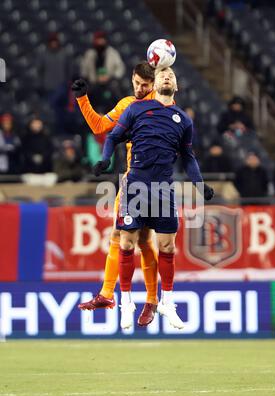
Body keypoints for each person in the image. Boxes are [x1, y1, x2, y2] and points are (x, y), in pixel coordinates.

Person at [93, 67, 214, 330]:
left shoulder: (183, 120)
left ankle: (166, 303)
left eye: (171, 74)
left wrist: (200, 185)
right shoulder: (136, 109)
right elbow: (112, 135)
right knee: (126, 244)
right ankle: (126, 303)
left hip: (163, 188)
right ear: (154, 84)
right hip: (135, 184)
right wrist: (104, 159)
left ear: (177, 86)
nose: (167, 77)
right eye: (162, 75)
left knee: (167, 247)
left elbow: (188, 158)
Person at [72, 62, 158, 326]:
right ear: (131, 80)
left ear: (154, 84)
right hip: (131, 181)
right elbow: (99, 127)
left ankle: (152, 300)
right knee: (121, 236)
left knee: (148, 242)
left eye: (146, 85)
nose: (140, 89)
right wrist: (82, 99)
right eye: (137, 83)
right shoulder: (127, 106)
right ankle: (108, 293)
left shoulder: (164, 102)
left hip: (156, 181)